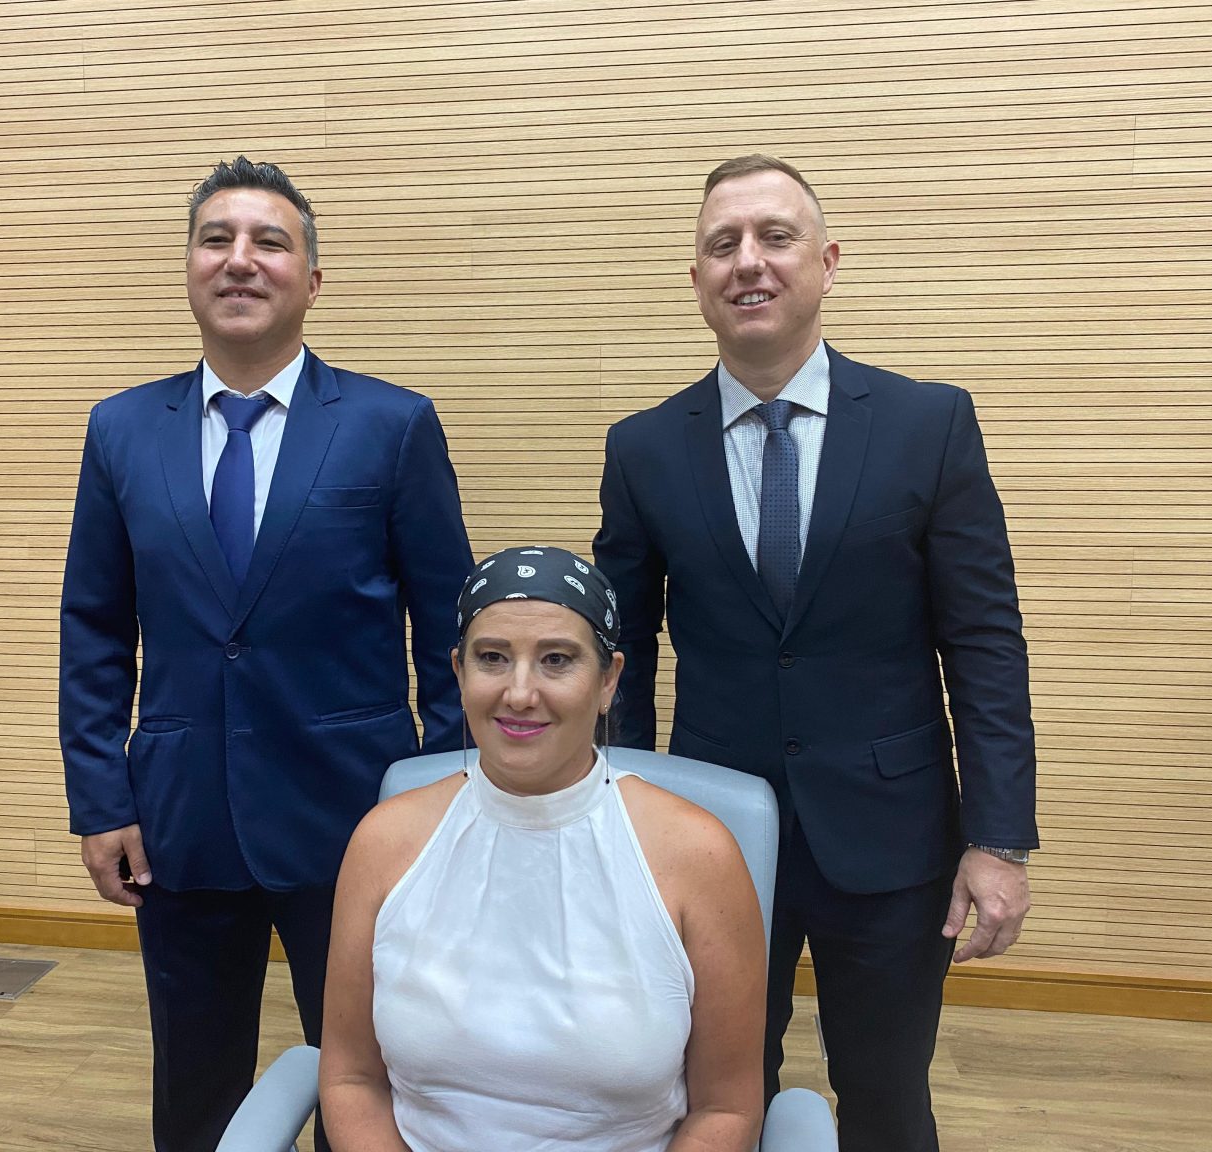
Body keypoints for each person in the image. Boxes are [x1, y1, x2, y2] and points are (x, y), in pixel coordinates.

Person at [593, 155, 1038, 1152]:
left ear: (827, 261)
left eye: (775, 237)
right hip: (710, 836)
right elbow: (620, 657)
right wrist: (617, 816)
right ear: (698, 277)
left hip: (892, 836)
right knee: (714, 1093)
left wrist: (998, 839)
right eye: (723, 245)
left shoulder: (929, 424)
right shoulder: (645, 448)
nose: (748, 261)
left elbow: (984, 644)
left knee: (885, 1096)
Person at [58, 156, 473, 1152]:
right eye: (217, 240)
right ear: (189, 269)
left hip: (357, 816)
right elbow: (96, 629)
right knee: (195, 1080)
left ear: (311, 280)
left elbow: (452, 634)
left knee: (369, 1073)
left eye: (269, 242)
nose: (240, 260)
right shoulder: (121, 430)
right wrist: (102, 800)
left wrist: (443, 799)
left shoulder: (391, 424)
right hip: (180, 818)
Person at [319, 546, 766, 1152]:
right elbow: (351, 1080)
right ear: (459, 674)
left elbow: (725, 1109)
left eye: (556, 660)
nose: (520, 693)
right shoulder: (383, 843)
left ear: (608, 680)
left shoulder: (698, 857)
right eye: (492, 658)